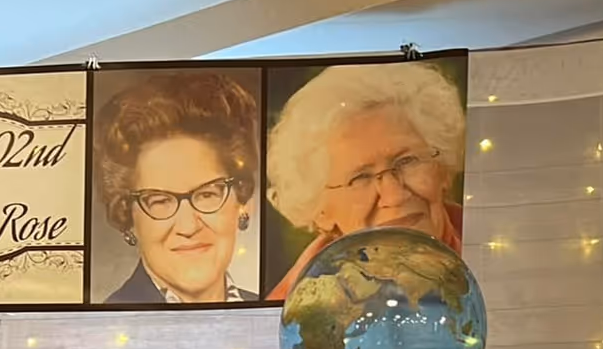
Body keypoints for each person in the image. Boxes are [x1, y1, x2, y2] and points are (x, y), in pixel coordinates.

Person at [265, 62, 467, 300]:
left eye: (407, 161)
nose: (395, 195)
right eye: (361, 177)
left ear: (442, 170)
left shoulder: (496, 252)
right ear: (322, 211)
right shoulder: (290, 313)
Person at [94, 71, 260, 304]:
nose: (188, 226)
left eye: (207, 194)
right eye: (160, 201)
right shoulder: (110, 324)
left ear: (242, 203)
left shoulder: (274, 312)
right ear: (127, 217)